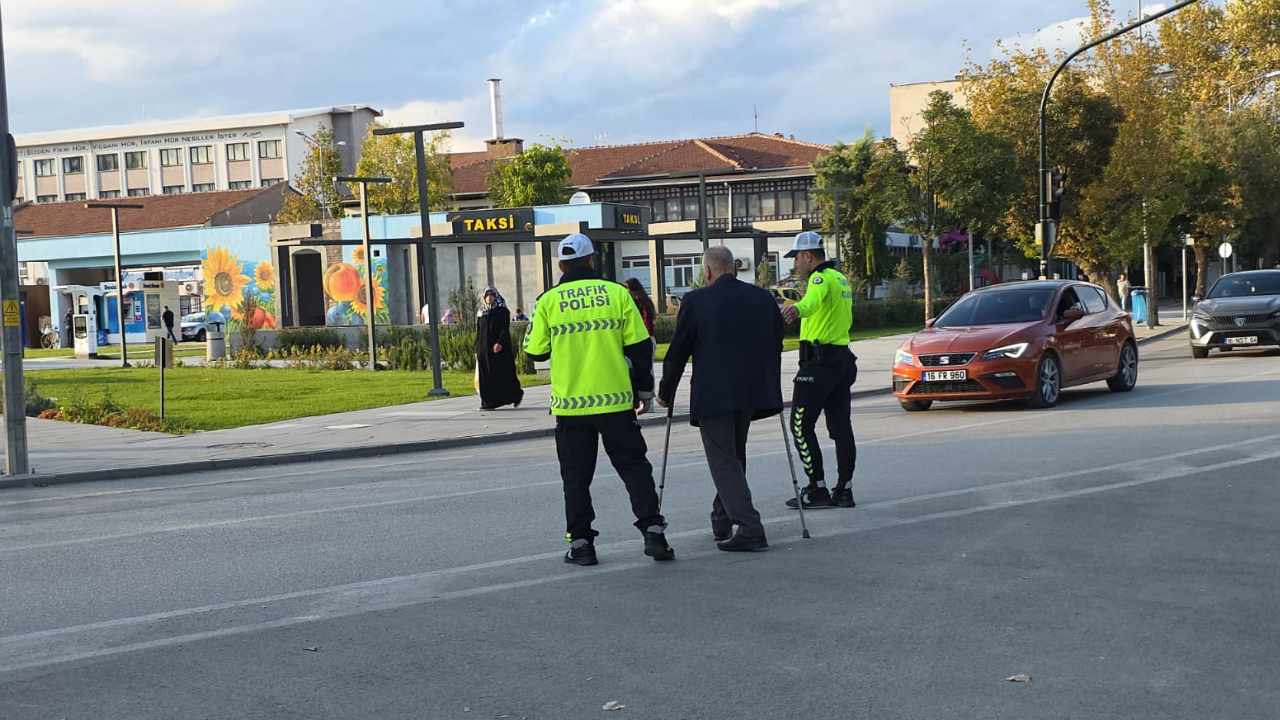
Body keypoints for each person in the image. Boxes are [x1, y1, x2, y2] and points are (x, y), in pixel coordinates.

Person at [523, 233, 675, 566]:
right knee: (634, 468)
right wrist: (644, 392)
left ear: (561, 265)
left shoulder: (548, 301)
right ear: (592, 260)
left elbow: (535, 351)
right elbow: (640, 348)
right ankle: (653, 531)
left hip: (571, 407)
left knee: (576, 478)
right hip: (616, 402)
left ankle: (581, 545)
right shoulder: (617, 293)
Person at [657, 246, 782, 552]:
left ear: (707, 271)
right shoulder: (763, 298)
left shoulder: (696, 300)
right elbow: (776, 340)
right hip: (750, 391)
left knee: (724, 461)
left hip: (713, 393)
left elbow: (678, 350)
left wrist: (665, 391)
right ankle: (722, 519)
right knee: (735, 456)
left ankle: (750, 527)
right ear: (735, 269)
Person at [779, 231, 857, 510]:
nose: (795, 263)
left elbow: (811, 302)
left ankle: (817, 488)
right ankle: (844, 489)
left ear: (807, 255)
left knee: (800, 425)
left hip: (819, 363)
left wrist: (796, 309)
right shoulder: (840, 278)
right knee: (840, 427)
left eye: (796, 257)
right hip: (842, 360)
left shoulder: (819, 278)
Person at [476, 285, 524, 411]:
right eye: (487, 295)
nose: (489, 297)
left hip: (499, 349)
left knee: (502, 374)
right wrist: (477, 349)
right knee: (485, 375)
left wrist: (500, 343)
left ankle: (515, 394)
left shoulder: (502, 311)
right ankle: (487, 402)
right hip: (483, 349)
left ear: (496, 296)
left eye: (492, 295)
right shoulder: (481, 312)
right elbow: (479, 332)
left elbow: (504, 329)